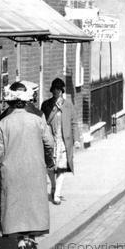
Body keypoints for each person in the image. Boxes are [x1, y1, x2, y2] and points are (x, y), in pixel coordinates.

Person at [0, 82, 55, 249]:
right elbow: (49, 143)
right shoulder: (38, 119)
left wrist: (2, 165)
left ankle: (21, 242)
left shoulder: (3, 122)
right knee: (33, 204)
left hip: (12, 169)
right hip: (34, 167)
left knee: (16, 205)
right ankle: (31, 241)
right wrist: (47, 158)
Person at [41, 78, 81, 206]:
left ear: (62, 90)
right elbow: (43, 122)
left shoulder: (68, 105)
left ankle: (57, 194)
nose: (56, 92)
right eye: (54, 89)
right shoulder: (46, 105)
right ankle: (53, 186)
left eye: (59, 89)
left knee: (62, 168)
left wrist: (77, 140)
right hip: (51, 141)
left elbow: (74, 123)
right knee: (50, 167)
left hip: (64, 142)